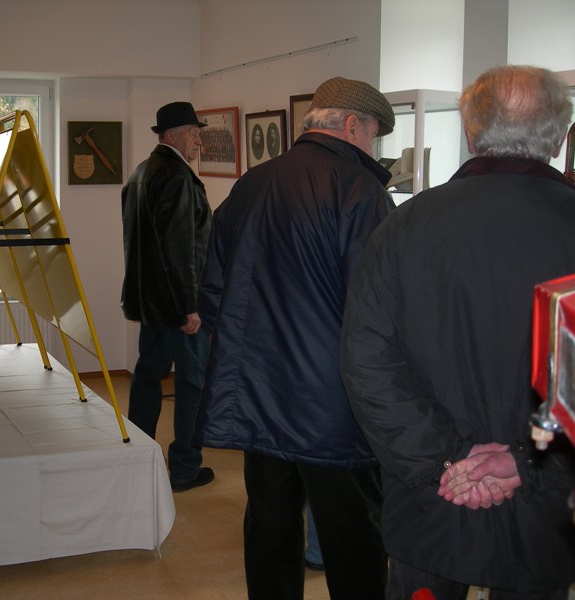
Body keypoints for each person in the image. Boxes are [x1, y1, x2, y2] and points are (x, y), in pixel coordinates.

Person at [340, 65, 575, 599]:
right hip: (546, 506)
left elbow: (368, 363)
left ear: (471, 133)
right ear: (560, 137)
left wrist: (446, 460)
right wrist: (526, 462)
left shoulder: (403, 227)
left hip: (434, 498)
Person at [195, 76, 395, 599]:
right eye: (373, 135)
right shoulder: (360, 191)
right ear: (352, 126)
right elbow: (378, 311)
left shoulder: (252, 183)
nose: (373, 148)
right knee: (353, 536)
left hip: (260, 394)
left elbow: (212, 289)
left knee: (270, 524)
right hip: (333, 403)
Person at [121, 101, 214, 492]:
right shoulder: (177, 177)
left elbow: (139, 246)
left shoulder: (141, 173)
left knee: (146, 376)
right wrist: (188, 307)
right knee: (192, 384)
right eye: (193, 132)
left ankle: (139, 461)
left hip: (151, 304)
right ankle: (185, 468)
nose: (198, 140)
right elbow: (180, 249)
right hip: (177, 306)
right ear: (173, 135)